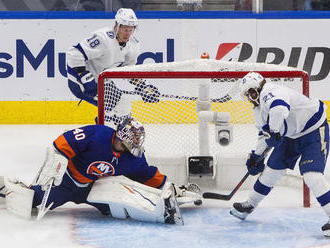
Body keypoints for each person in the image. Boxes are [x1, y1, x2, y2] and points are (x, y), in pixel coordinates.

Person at [1, 116, 202, 224]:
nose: (137, 142)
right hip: (67, 182)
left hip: (95, 188)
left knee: (117, 211)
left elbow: (147, 175)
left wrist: (170, 187)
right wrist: (57, 163)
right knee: (31, 203)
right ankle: (4, 186)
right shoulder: (97, 134)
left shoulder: (133, 158)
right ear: (123, 136)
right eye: (135, 138)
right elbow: (62, 143)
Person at [229, 72, 330, 236]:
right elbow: (264, 135)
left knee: (312, 175)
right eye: (248, 95)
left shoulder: (271, 90)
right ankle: (249, 204)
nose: (251, 97)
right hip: (290, 137)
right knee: (271, 171)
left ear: (259, 87)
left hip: (313, 132)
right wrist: (256, 156)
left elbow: (279, 108)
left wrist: (274, 131)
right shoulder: (258, 110)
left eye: (252, 92)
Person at [66, 8, 159, 125]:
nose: (128, 33)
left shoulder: (133, 45)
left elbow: (128, 70)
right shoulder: (103, 38)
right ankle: (104, 136)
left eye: (131, 29)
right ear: (117, 26)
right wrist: (84, 77)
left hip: (102, 82)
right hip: (80, 82)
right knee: (112, 111)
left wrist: (142, 87)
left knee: (124, 105)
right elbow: (74, 53)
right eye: (125, 29)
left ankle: (112, 136)